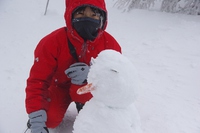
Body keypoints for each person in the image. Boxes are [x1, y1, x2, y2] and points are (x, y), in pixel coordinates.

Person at [25, 0, 121, 133]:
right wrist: (36, 116)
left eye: (94, 15)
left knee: (98, 120)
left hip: (90, 89)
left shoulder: (110, 45)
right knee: (49, 119)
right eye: (80, 13)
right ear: (70, 16)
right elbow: (37, 81)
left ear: (102, 18)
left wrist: (89, 77)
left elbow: (116, 83)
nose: (87, 18)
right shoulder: (51, 42)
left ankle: (84, 105)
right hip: (59, 87)